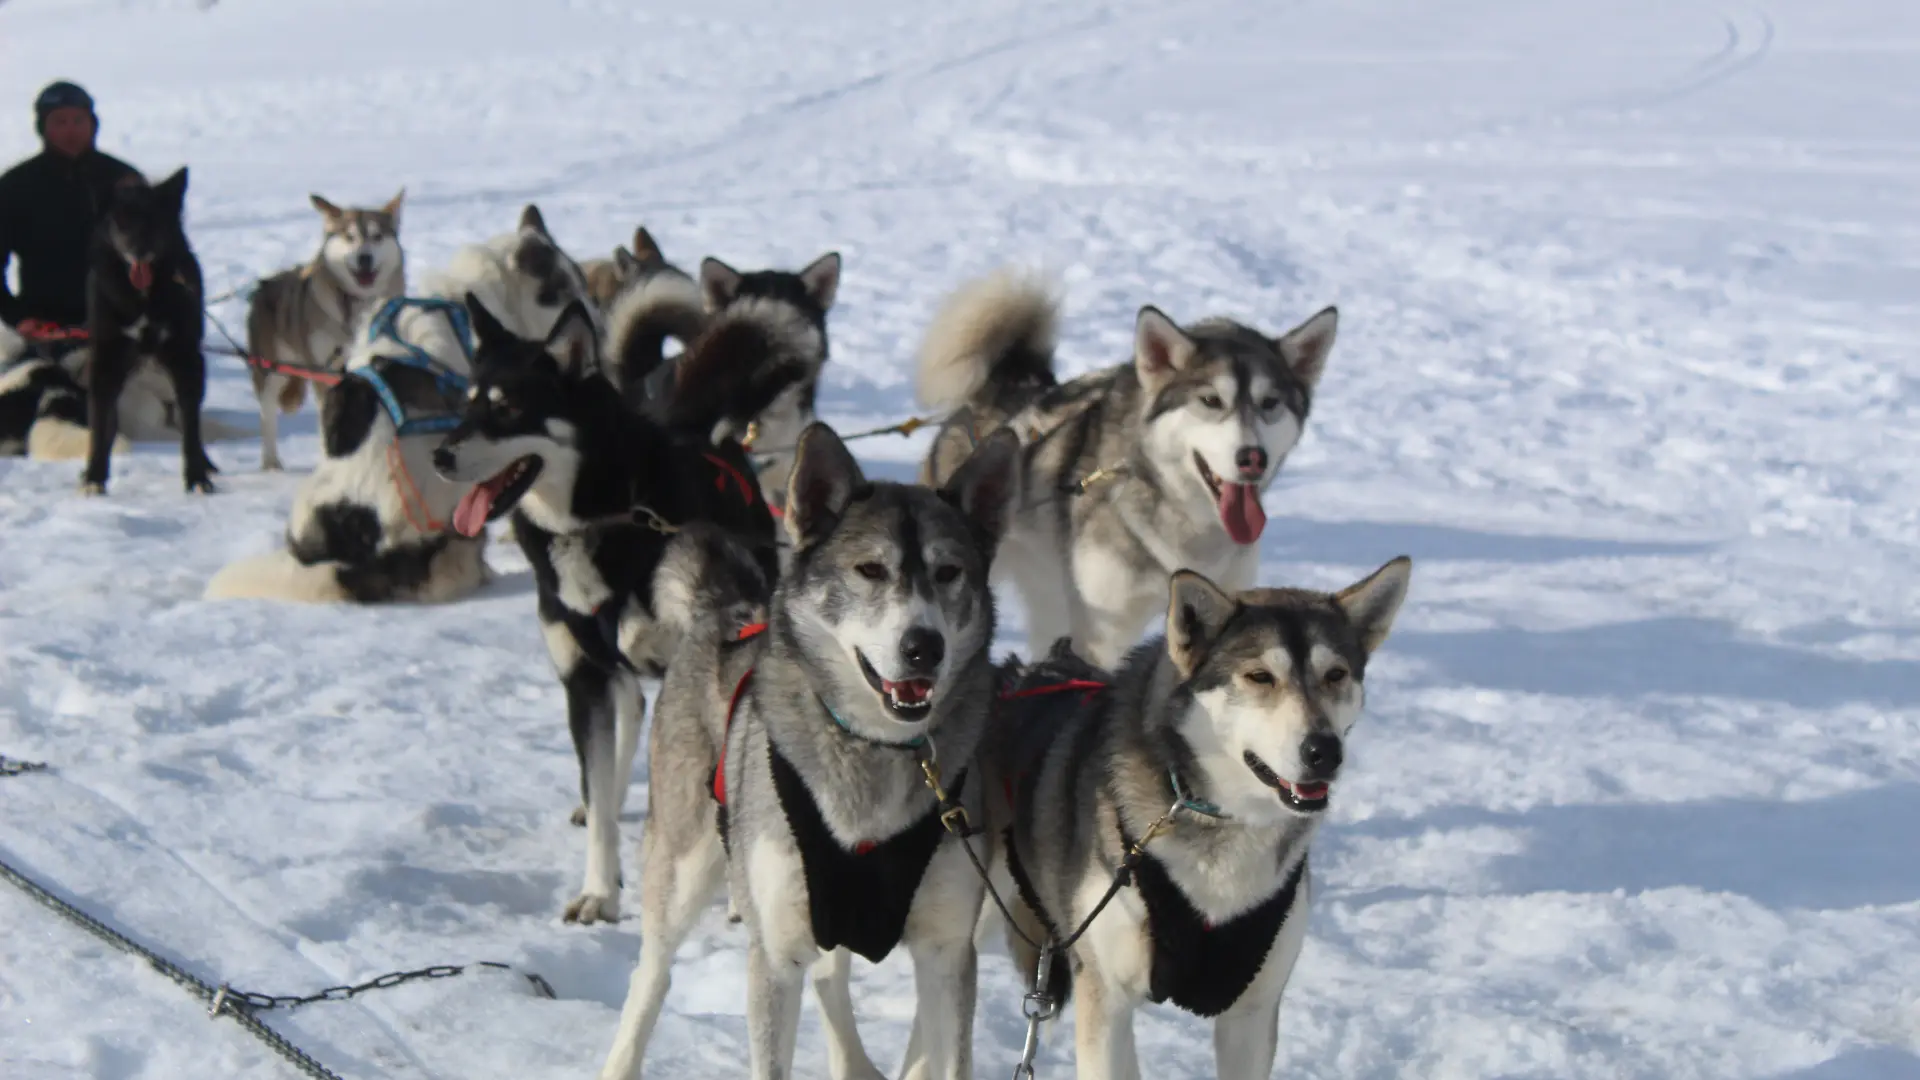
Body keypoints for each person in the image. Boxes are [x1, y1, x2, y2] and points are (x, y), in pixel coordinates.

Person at [0, 81, 141, 342]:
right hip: (42, 326)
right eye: (60, 122)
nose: (70, 130)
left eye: (78, 120)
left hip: (121, 324)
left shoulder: (125, 181)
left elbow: (164, 257)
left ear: (93, 124)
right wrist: (17, 317)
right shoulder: (14, 186)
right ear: (43, 128)